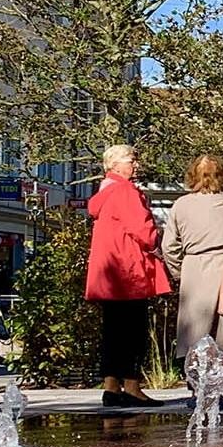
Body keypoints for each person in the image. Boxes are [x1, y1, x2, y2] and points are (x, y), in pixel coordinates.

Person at [84, 144, 170, 408]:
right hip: (128, 270)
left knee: (112, 331)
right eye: (131, 160)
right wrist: (158, 239)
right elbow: (143, 230)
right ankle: (132, 386)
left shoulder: (105, 191)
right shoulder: (125, 191)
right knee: (134, 331)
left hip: (108, 273)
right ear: (116, 164)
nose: (136, 165)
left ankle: (111, 386)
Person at [164, 155, 223, 373]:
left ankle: (196, 384)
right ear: (222, 175)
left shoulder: (181, 205)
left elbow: (169, 245)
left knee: (194, 332)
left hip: (194, 268)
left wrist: (180, 273)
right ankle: (222, 385)